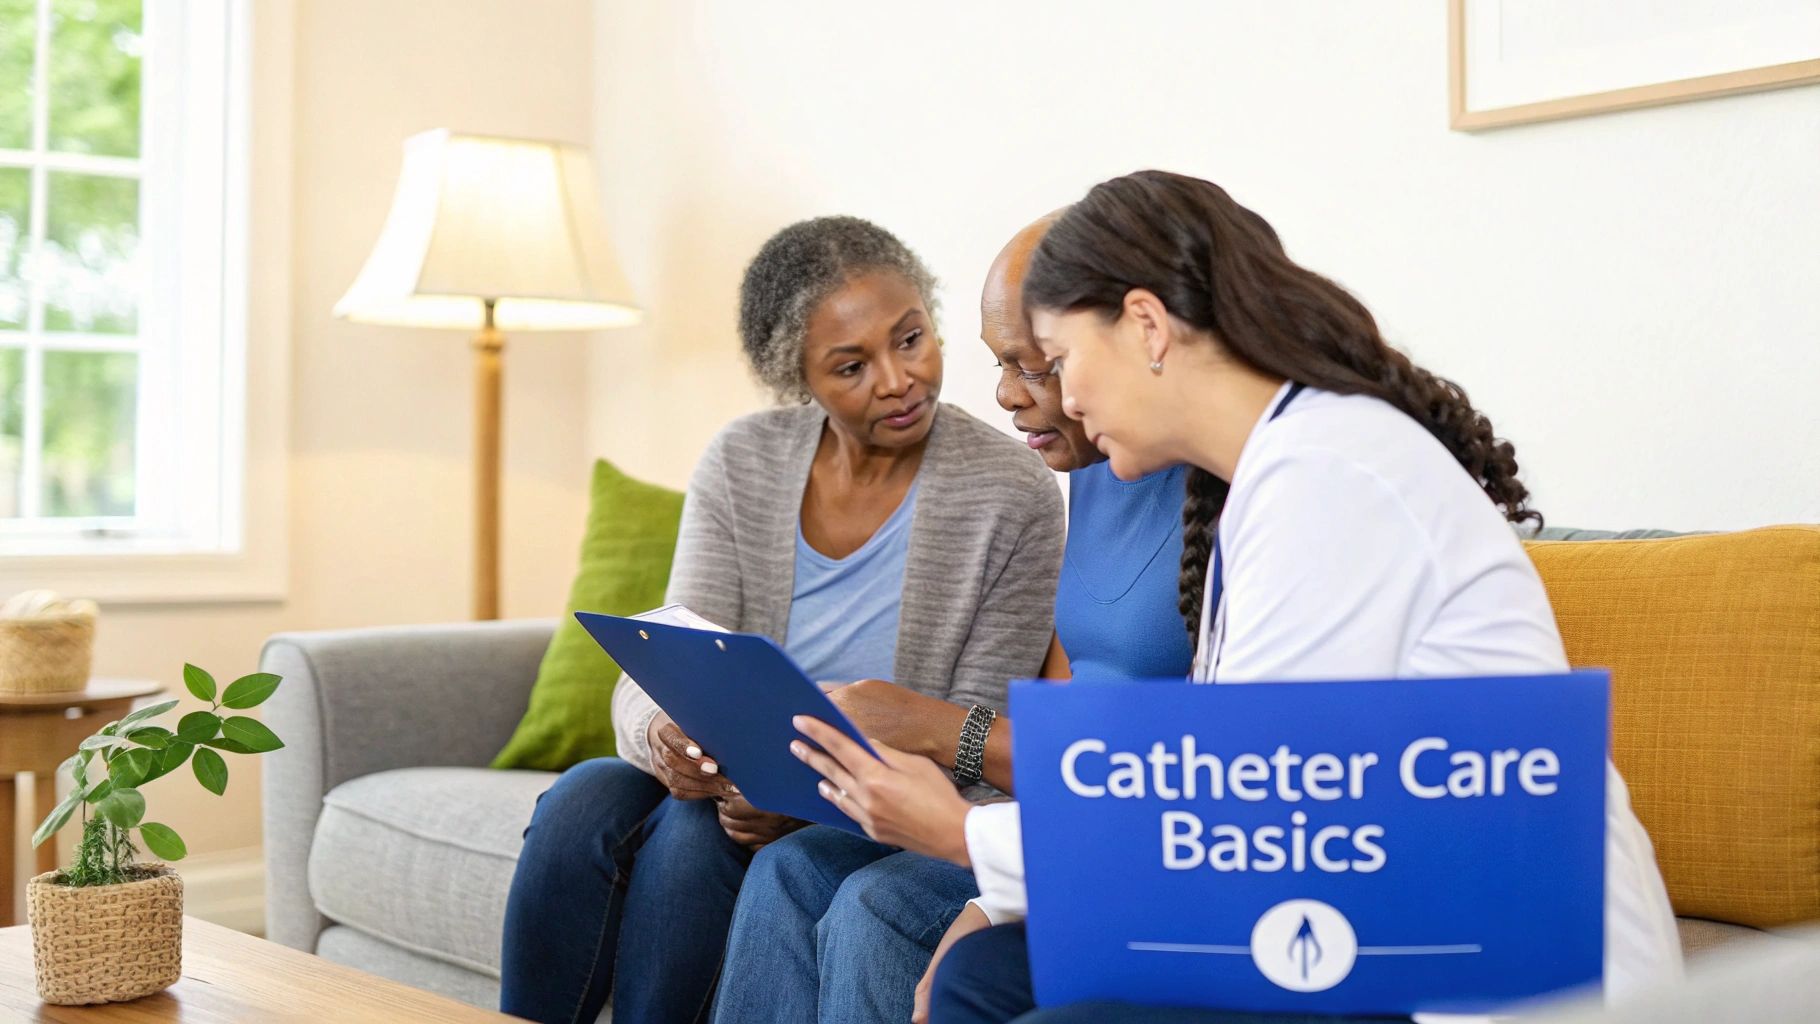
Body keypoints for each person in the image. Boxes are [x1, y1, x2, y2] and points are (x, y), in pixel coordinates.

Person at [789, 171, 1683, 1024]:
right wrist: (991, 879)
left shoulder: (1330, 481)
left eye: (1060, 359)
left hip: (1477, 956)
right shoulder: (1266, 477)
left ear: (1145, 326)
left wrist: (957, 831)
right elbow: (1221, 803)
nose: (1060, 395)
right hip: (1361, 913)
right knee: (989, 976)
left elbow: (1239, 835)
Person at [498, 215, 1064, 1024]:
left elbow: (976, 737)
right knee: (585, 798)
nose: (898, 379)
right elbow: (665, 653)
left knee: (699, 837)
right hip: (719, 771)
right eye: (851, 366)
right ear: (797, 378)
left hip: (869, 799)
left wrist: (805, 795)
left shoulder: (1010, 490)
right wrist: (663, 738)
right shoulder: (744, 460)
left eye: (911, 339)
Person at [711, 212, 1198, 1024]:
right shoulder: (1099, 462)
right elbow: (1074, 702)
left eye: (1036, 366)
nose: (1007, 394)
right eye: (1001, 362)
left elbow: (1168, 753)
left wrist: (940, 732)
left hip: (1135, 831)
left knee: (879, 903)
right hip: (1065, 806)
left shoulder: (1174, 476)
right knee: (778, 866)